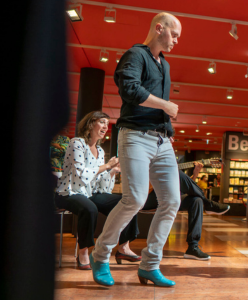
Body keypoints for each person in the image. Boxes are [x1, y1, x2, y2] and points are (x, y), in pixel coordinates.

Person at [90, 12, 182, 287]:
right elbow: (129, 89)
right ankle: (101, 254)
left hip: (161, 140)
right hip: (135, 137)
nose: (176, 41)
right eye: (174, 34)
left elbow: (157, 102)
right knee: (135, 199)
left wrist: (168, 130)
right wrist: (165, 106)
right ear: (159, 28)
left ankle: (150, 265)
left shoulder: (164, 65)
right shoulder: (135, 55)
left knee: (171, 201)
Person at [55, 111, 140, 270]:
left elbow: (102, 186)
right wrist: (107, 166)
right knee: (90, 208)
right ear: (90, 124)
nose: (105, 127)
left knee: (129, 202)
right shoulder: (76, 143)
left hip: (90, 192)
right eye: (102, 122)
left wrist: (112, 171)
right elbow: (81, 175)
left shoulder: (100, 151)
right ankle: (84, 252)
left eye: (107, 124)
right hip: (68, 192)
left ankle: (123, 247)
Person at [142, 162, 230, 261]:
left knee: (196, 200)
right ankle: (208, 204)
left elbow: (185, 189)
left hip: (166, 196)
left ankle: (193, 247)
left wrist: (195, 174)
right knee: (176, 172)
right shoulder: (143, 159)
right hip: (145, 196)